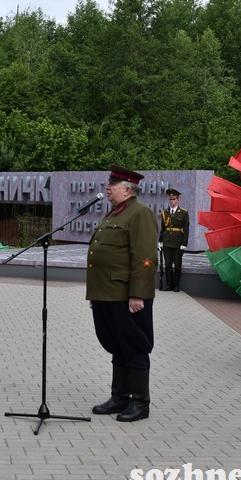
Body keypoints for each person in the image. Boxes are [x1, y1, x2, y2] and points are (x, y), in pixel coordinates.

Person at [86, 164, 158, 422]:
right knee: (118, 346)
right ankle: (120, 397)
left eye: (113, 184)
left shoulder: (140, 213)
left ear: (127, 189)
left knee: (134, 346)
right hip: (106, 294)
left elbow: (145, 257)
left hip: (127, 296)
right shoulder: (115, 214)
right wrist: (95, 294)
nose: (107, 188)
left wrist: (138, 294)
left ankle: (140, 403)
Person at [158, 188, 190, 292]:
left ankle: (176, 285)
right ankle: (169, 285)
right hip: (167, 241)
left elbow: (186, 229)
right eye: (170, 199)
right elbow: (163, 228)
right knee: (167, 264)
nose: (171, 201)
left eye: (173, 199)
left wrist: (184, 243)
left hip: (178, 242)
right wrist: (160, 241)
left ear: (178, 200)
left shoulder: (183, 213)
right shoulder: (165, 212)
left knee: (177, 265)